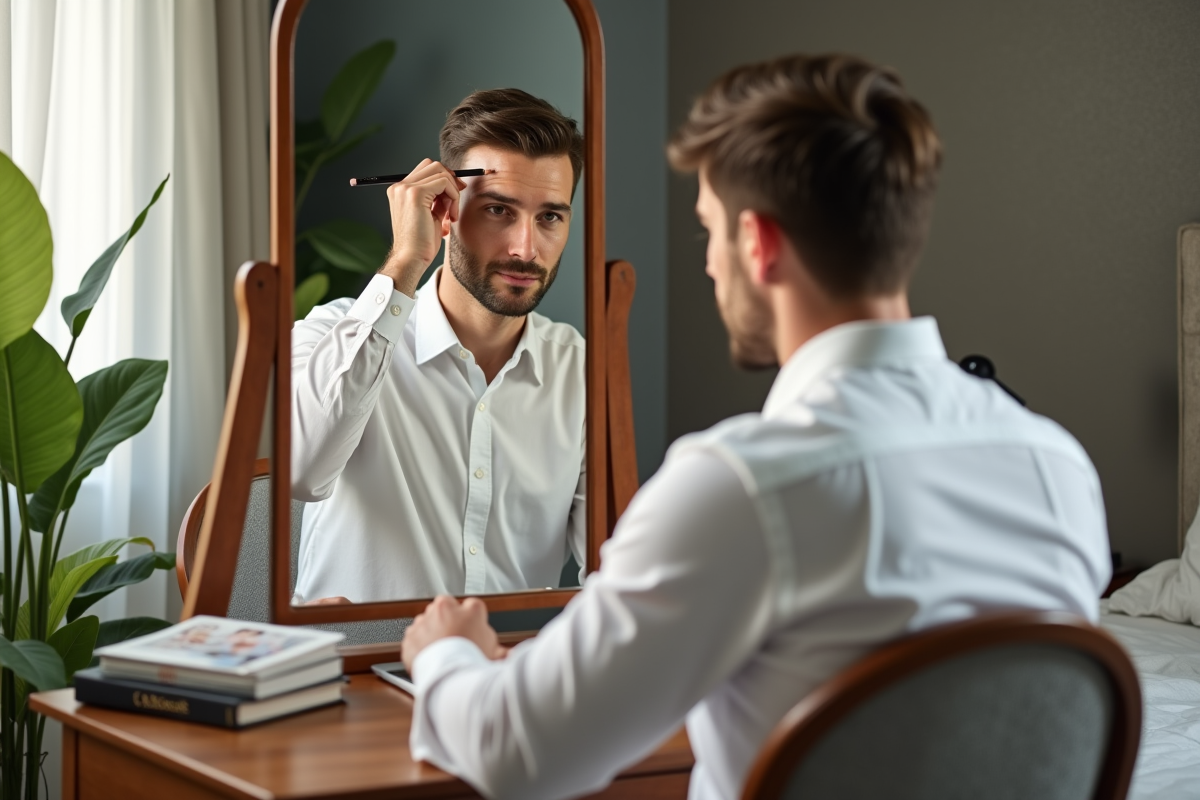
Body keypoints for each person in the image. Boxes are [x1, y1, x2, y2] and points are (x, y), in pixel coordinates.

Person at [398, 54, 1111, 800]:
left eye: (709, 230)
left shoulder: (741, 489)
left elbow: (518, 755)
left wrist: (448, 655)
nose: (708, 264)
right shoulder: (1057, 466)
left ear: (759, 245)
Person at [291, 89, 587, 603]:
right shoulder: (331, 333)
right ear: (445, 210)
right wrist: (407, 258)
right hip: (357, 671)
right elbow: (302, 472)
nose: (526, 248)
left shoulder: (580, 369)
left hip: (502, 675)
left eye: (550, 217)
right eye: (499, 210)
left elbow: (611, 570)